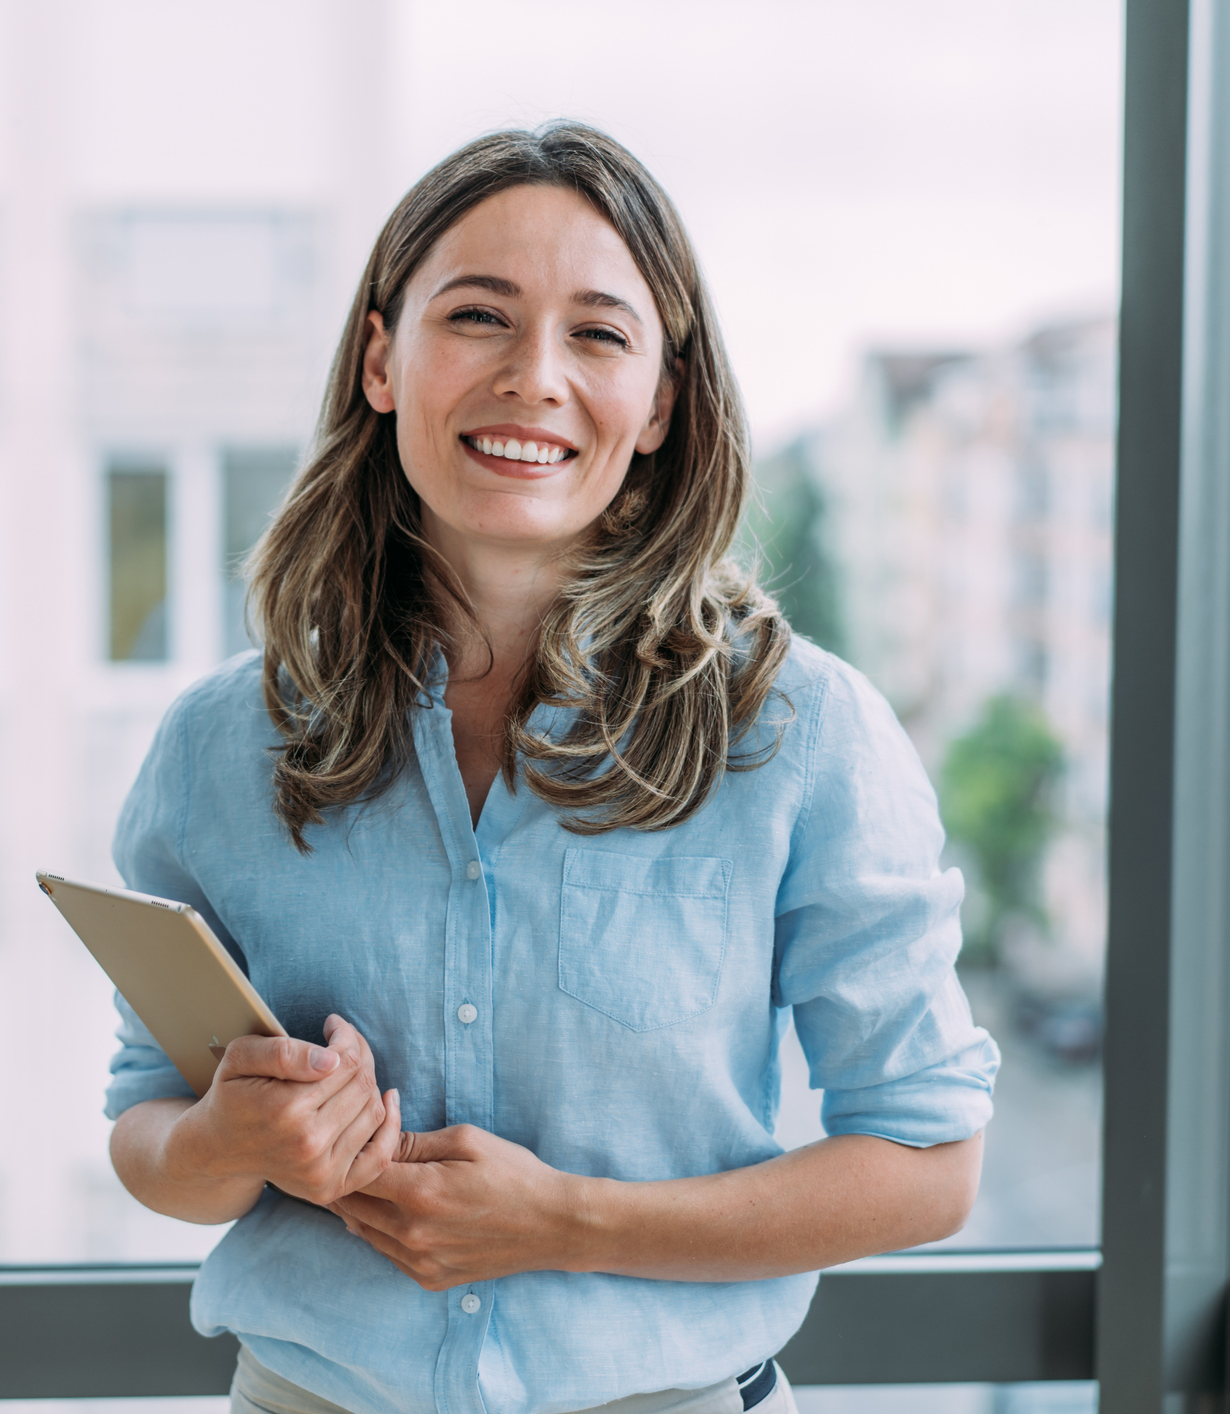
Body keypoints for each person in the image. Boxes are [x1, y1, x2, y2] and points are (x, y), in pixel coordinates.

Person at [103, 121, 998, 1414]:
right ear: (379, 360)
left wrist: (566, 1221)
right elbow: (150, 1133)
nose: (534, 376)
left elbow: (926, 1164)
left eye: (597, 332)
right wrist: (222, 1141)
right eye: (477, 316)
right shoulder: (217, 745)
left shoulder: (801, 734)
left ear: (660, 406)